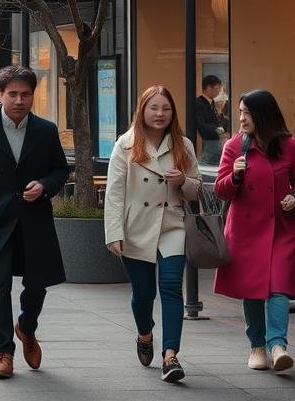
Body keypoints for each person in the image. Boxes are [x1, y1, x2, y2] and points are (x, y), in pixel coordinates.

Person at [0, 66, 70, 379]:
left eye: (26, 94)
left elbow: (60, 169)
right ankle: (4, 351)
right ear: (0, 94)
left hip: (35, 219)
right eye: (13, 94)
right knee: (0, 283)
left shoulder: (45, 130)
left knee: (37, 284)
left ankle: (26, 327)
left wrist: (44, 185)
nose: (20, 100)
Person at [104, 86, 201, 383]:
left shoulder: (183, 145)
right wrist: (113, 232)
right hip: (136, 227)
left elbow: (197, 188)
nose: (160, 114)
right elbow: (114, 193)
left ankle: (170, 355)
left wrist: (183, 180)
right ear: (142, 110)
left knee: (171, 287)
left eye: (166, 109)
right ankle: (145, 334)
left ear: (173, 113)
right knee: (143, 294)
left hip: (172, 224)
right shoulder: (126, 144)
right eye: (154, 108)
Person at [214, 89, 295, 373]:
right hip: (245, 230)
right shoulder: (234, 146)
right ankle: (257, 345)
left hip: (281, 228)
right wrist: (235, 175)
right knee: (253, 291)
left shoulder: (289, 145)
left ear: (263, 115)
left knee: (279, 288)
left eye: (247, 112)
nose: (241, 118)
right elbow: (221, 190)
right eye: (240, 112)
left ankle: (278, 345)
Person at [196, 75, 227, 166]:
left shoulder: (212, 102)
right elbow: (201, 125)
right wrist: (218, 130)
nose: (218, 92)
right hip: (208, 141)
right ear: (208, 88)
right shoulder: (199, 103)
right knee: (208, 164)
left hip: (215, 141)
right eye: (217, 88)